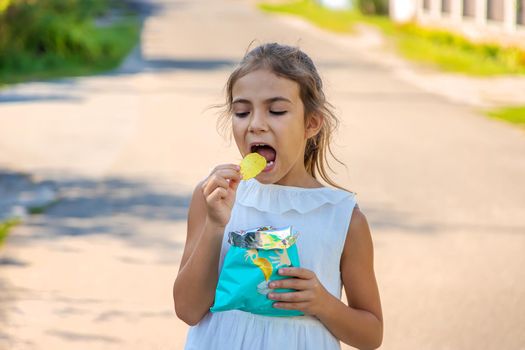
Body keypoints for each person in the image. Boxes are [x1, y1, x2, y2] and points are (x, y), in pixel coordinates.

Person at [173, 42, 383, 350]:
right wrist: (216, 227)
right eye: (242, 112)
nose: (256, 124)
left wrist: (323, 303)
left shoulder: (342, 217)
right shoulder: (213, 198)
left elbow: (371, 335)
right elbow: (188, 310)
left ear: (311, 123)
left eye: (277, 110)